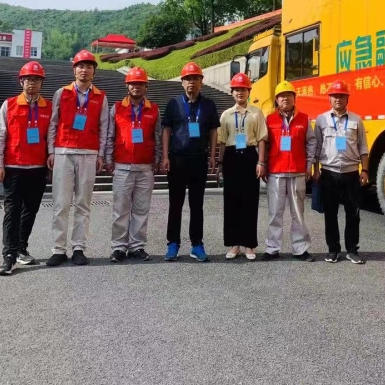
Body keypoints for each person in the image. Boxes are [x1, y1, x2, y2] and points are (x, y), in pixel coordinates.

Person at [46, 50, 109, 267]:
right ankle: (58, 249)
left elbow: (103, 127)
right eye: (81, 66)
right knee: (61, 203)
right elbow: (53, 123)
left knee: (83, 204)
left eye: (89, 67)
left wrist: (101, 154)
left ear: (94, 71)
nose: (85, 70)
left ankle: (79, 248)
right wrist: (51, 151)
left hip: (88, 154)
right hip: (63, 152)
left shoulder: (100, 97)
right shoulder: (61, 93)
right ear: (74, 70)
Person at [0, 61, 52, 275]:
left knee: (31, 210)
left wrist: (51, 158)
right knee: (12, 211)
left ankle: (21, 247)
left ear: (41, 83)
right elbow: (0, 135)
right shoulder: (9, 105)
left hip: (37, 168)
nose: (32, 83)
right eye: (28, 79)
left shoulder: (49, 107)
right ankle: (8, 256)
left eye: (36, 79)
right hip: (13, 167)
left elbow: (51, 136)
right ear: (21, 81)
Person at [161, 62, 220, 262]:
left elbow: (213, 131)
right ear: (182, 82)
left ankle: (197, 244)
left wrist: (212, 155)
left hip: (199, 159)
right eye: (188, 79)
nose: (191, 82)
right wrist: (165, 156)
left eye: (195, 78)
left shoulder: (209, 105)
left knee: (197, 204)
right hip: (177, 159)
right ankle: (173, 243)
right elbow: (166, 130)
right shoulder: (173, 104)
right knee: (175, 204)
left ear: (201, 82)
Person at [105, 67, 161, 263]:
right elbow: (110, 135)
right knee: (120, 209)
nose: (136, 87)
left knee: (141, 209)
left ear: (146, 86)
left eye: (140, 83)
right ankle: (119, 246)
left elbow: (157, 136)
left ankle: (137, 245)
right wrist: (108, 159)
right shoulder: (117, 108)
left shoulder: (154, 109)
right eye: (133, 83)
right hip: (122, 165)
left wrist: (157, 158)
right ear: (127, 86)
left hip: (145, 167)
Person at [313, 79, 369, 265]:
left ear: (347, 99)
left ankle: (352, 250)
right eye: (335, 96)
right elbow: (317, 147)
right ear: (329, 98)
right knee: (330, 214)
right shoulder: (321, 120)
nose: (338, 99)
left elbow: (363, 147)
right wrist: (315, 170)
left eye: (342, 96)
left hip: (351, 173)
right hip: (329, 173)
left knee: (353, 214)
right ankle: (333, 250)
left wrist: (364, 170)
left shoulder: (356, 120)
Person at [262, 80, 316, 262]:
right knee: (274, 213)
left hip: (297, 171)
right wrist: (263, 165)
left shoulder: (304, 119)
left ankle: (300, 249)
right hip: (276, 172)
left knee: (298, 213)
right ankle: (272, 248)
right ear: (276, 100)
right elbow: (264, 145)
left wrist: (309, 164)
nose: (285, 98)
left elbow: (311, 142)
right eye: (281, 96)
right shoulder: (269, 120)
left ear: (294, 98)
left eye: (288, 95)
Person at [217, 73, 268, 261]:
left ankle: (249, 244)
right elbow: (222, 142)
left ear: (249, 92)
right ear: (232, 92)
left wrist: (260, 162)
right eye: (237, 89)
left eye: (243, 89)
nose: (240, 92)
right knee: (231, 201)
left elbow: (261, 139)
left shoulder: (256, 113)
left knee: (250, 201)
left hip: (249, 157)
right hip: (231, 157)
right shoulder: (226, 115)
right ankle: (234, 243)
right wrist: (220, 164)